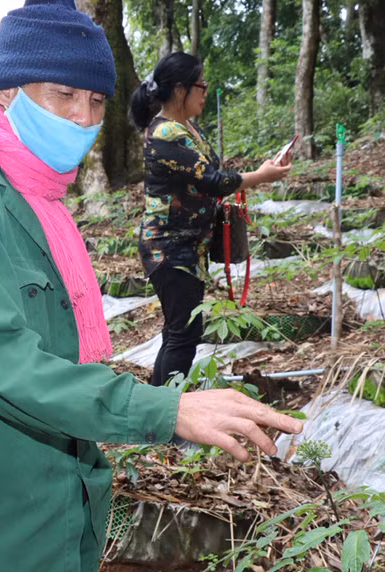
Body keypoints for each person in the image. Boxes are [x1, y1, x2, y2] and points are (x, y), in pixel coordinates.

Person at [0, 3, 302, 572]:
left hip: (61, 504)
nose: (83, 119)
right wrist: (167, 410)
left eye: (97, 101)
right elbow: (9, 366)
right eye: (64, 95)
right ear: (8, 91)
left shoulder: (37, 198)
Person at [129, 52, 292, 388]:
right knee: (184, 335)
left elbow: (208, 175)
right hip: (169, 248)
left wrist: (260, 171)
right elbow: (212, 181)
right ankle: (165, 408)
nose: (205, 92)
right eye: (200, 85)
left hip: (188, 246)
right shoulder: (165, 132)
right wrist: (261, 176)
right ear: (180, 89)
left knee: (178, 331)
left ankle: (160, 403)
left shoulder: (186, 127)